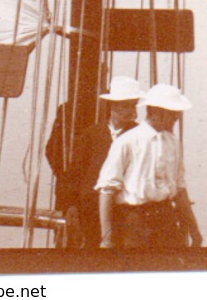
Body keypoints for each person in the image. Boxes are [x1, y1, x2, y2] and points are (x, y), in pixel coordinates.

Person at [95, 82, 202, 249]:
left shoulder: (173, 143)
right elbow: (107, 190)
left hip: (166, 220)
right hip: (134, 222)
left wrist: (194, 231)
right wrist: (106, 240)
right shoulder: (127, 142)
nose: (176, 118)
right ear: (156, 112)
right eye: (173, 113)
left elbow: (180, 190)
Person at [45, 76, 145, 247]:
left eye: (132, 105)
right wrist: (70, 206)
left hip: (125, 211)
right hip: (90, 210)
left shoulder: (140, 135)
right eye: (125, 105)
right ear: (113, 105)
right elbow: (74, 174)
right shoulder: (92, 134)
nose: (131, 111)